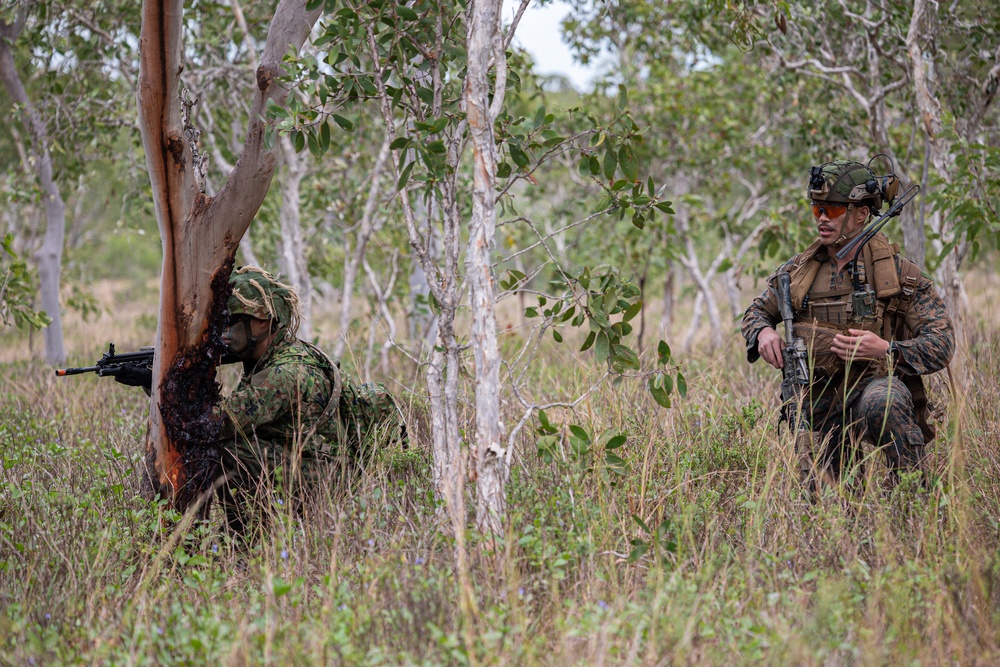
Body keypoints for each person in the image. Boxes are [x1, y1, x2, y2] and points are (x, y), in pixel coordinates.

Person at [120, 265, 407, 534]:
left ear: (262, 322)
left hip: (323, 483)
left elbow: (210, 426)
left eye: (232, 322)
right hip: (310, 467)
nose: (223, 334)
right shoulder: (276, 355)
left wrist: (162, 385)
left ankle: (245, 537)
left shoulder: (284, 374)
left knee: (225, 448)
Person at [741, 159, 954, 487]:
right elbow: (755, 313)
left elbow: (942, 344)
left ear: (861, 215)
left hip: (874, 387)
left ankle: (911, 502)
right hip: (819, 400)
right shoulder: (798, 273)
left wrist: (887, 349)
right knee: (829, 503)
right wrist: (763, 333)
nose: (823, 219)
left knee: (884, 400)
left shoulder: (899, 276)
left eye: (833, 210)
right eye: (817, 210)